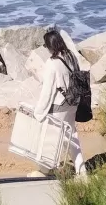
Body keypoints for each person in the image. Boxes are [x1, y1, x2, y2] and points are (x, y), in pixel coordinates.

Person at [30, 30, 87, 178]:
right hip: (73, 103)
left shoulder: (52, 63)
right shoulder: (71, 57)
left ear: (50, 45)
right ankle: (82, 171)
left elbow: (48, 91)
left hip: (59, 105)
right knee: (71, 135)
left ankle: (44, 170)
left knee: (51, 137)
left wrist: (39, 112)